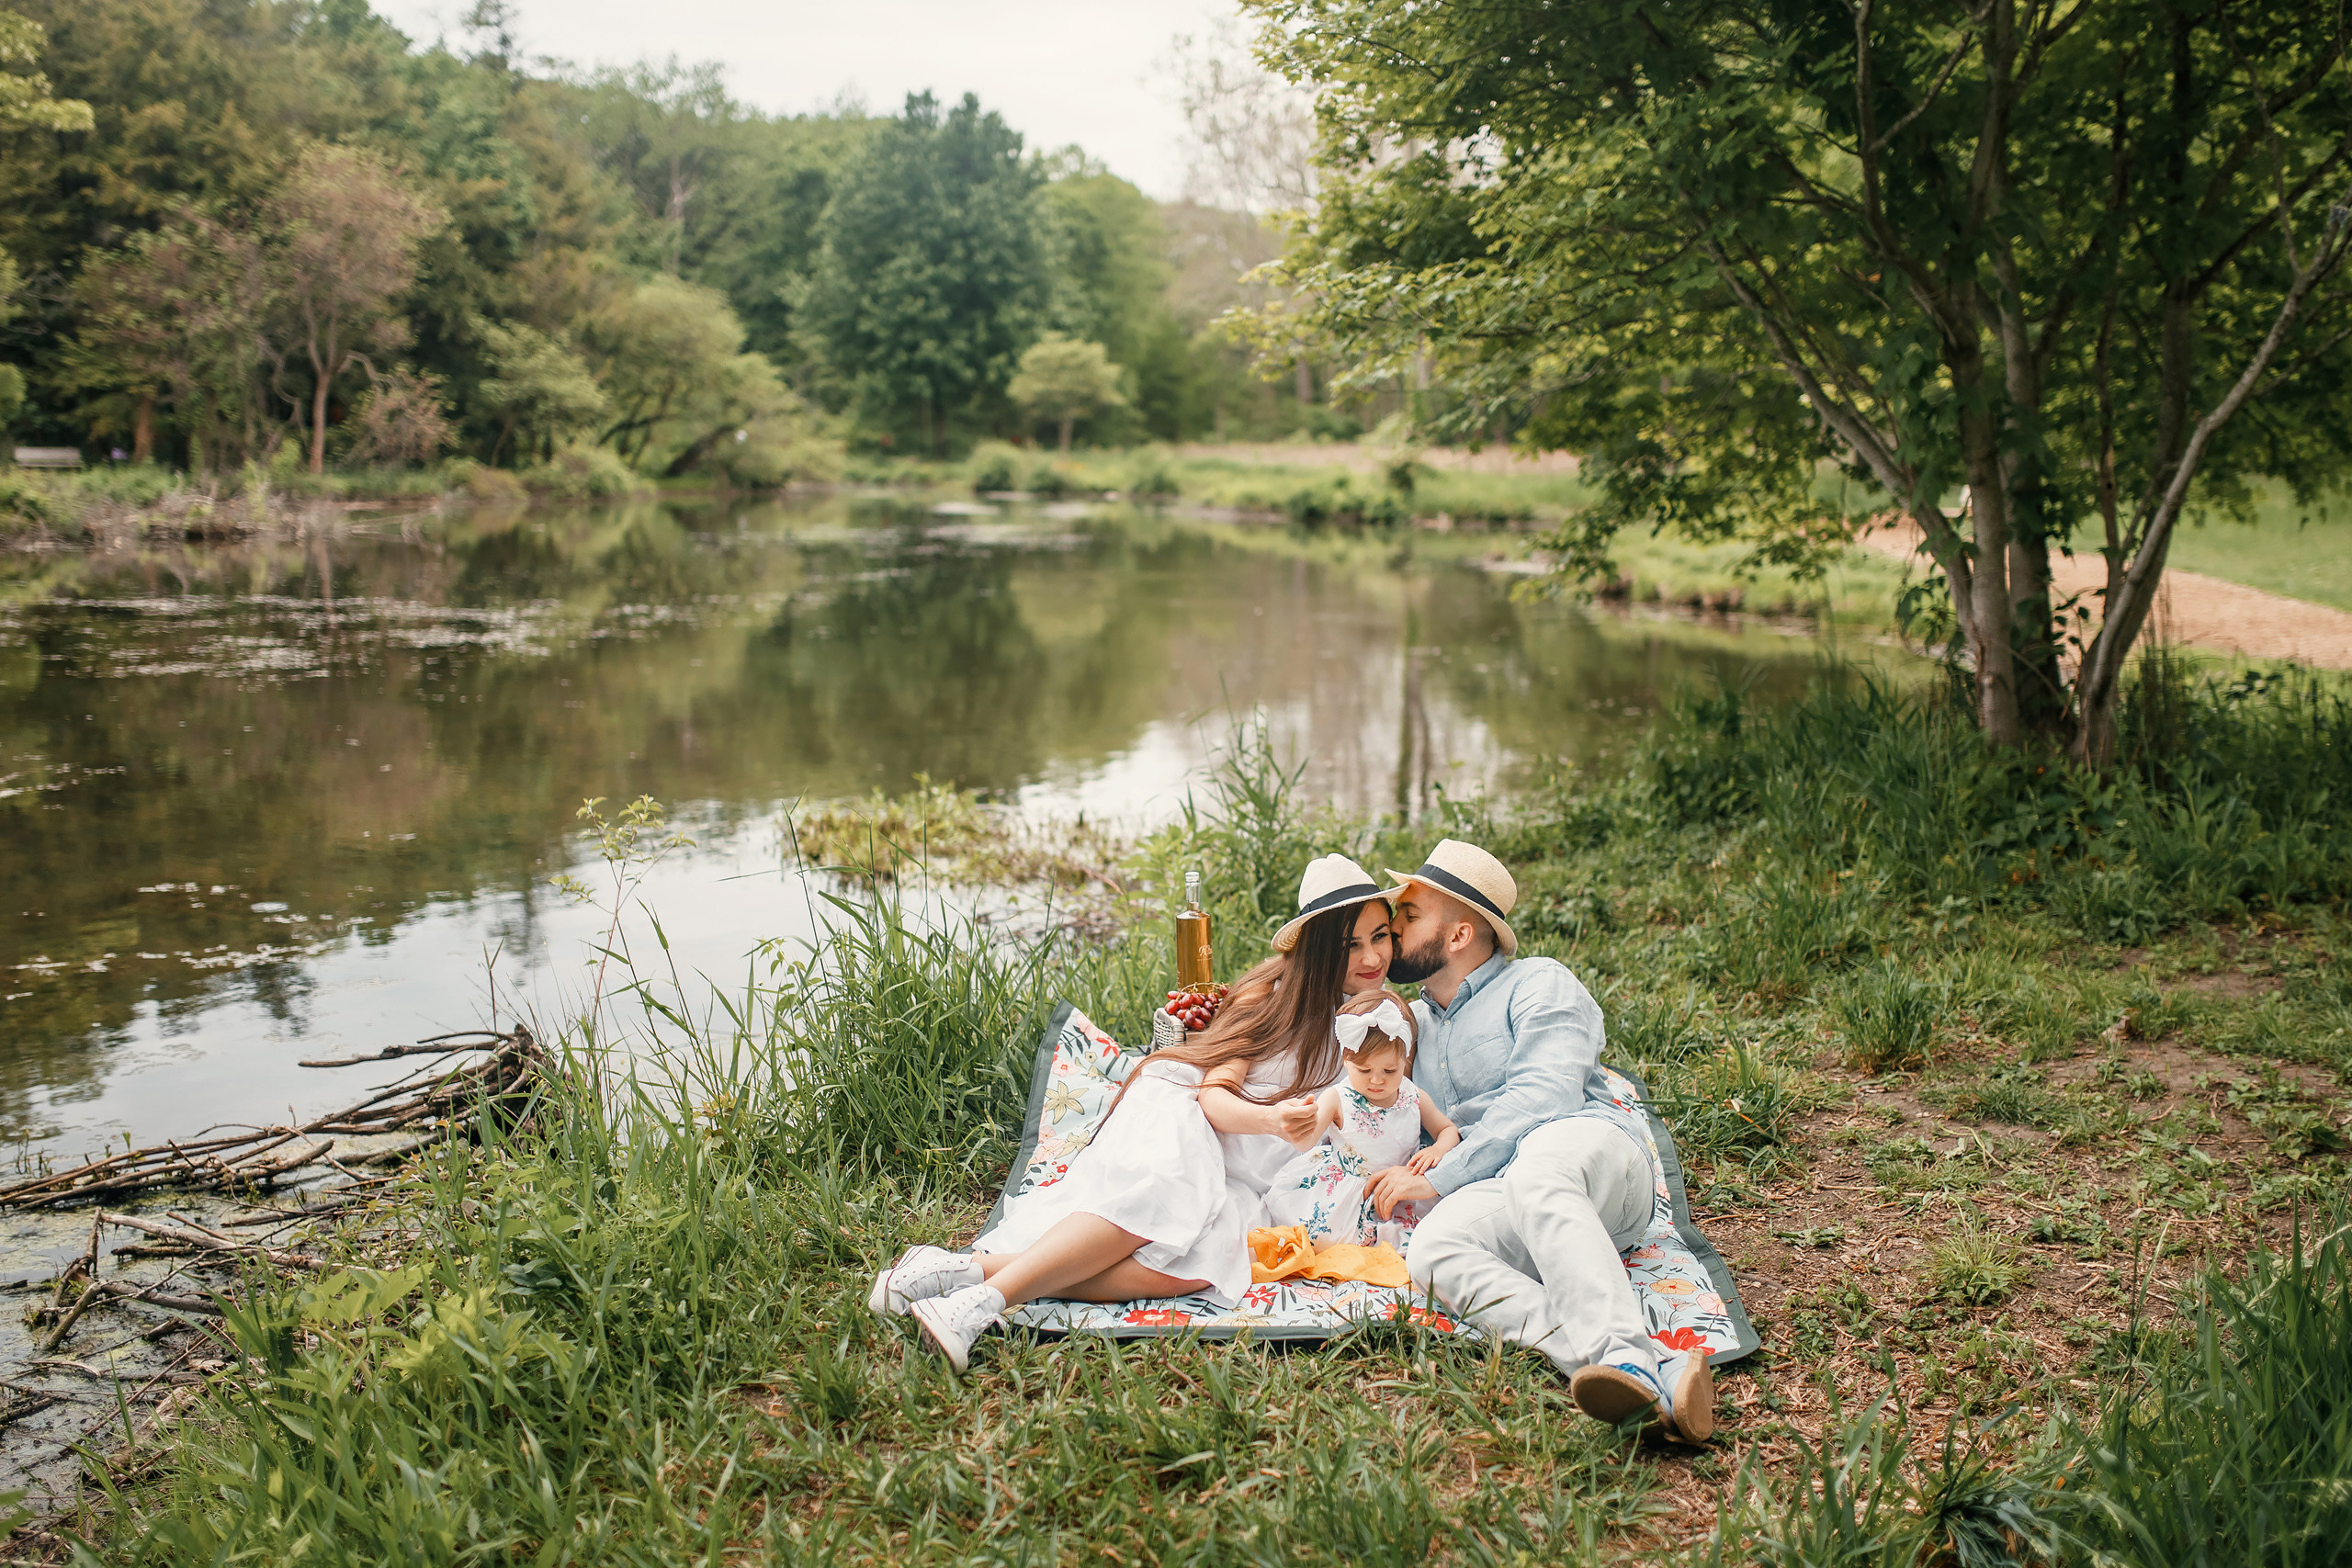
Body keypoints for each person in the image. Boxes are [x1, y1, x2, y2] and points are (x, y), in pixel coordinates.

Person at [868, 853, 1412, 1372]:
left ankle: (952, 1271)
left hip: (1250, 1174)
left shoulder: (1375, 1016)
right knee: (1167, 1200)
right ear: (1317, 950)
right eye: (1350, 945)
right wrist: (1271, 1120)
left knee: (1200, 1267)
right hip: (1195, 1117)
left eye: (1380, 938)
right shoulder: (1269, 1000)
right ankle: (981, 1305)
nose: (1371, 959)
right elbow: (1214, 1098)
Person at [1364, 839, 1715, 1444]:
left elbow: (1543, 1097)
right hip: (1504, 1188)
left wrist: (1442, 1173)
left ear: (1457, 935)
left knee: (1536, 1168)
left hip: (1586, 1152)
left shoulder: (1539, 982)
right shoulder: (1407, 1028)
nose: (1394, 930)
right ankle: (1631, 1369)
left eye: (1410, 916)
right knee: (1434, 1251)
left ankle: (1624, 1354)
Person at [1261, 998, 1460, 1245]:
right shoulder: (1337, 1098)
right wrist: (1300, 1122)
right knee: (1323, 1240)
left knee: (1429, 1238)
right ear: (1346, 1061)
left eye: (1389, 1071)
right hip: (1348, 1194)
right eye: (1364, 1071)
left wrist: (1439, 1148)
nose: (1377, 1081)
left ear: (1404, 1062)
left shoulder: (1413, 1096)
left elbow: (1447, 1129)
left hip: (1400, 1188)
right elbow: (1305, 1142)